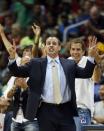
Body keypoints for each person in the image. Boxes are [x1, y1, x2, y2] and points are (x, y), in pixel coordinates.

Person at [6, 24, 97, 131]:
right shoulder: (36, 63)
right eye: (48, 43)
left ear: (59, 47)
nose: (51, 45)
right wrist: (12, 58)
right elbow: (17, 71)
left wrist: (91, 57)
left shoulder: (69, 64)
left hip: (66, 109)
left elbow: (85, 73)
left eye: (54, 43)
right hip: (45, 110)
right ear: (45, 47)